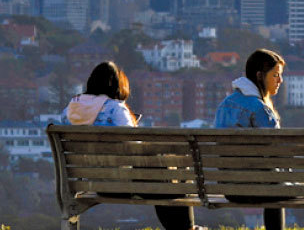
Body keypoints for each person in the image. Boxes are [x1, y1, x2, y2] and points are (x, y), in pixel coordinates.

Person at [59, 61, 206, 230]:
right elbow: (136, 150)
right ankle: (188, 228)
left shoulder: (69, 111)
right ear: (116, 85)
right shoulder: (116, 109)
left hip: (94, 184)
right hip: (124, 184)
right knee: (172, 174)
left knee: (167, 176)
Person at [215, 48, 304, 230]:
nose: (280, 80)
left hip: (230, 189)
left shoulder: (224, 105)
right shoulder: (261, 110)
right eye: (275, 75)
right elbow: (278, 155)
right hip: (263, 188)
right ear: (259, 76)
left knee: (275, 180)